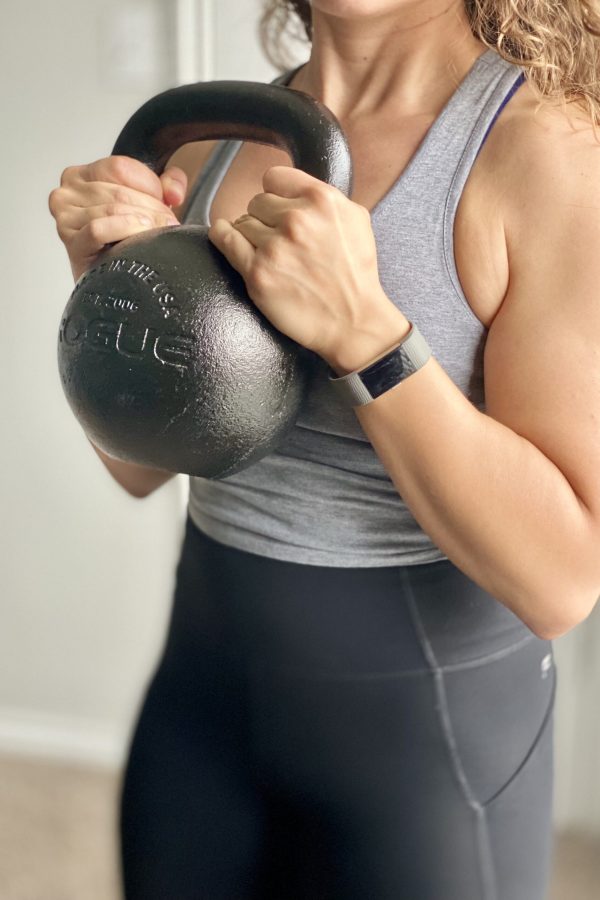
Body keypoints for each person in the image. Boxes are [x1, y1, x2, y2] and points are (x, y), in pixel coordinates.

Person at [49, 1, 600, 897]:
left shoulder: (548, 150)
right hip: (200, 719)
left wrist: (370, 337)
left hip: (424, 761)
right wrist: (103, 284)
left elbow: (561, 578)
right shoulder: (211, 142)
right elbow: (141, 468)